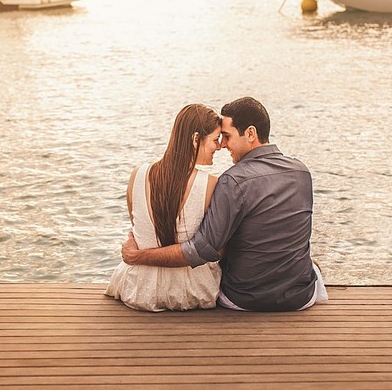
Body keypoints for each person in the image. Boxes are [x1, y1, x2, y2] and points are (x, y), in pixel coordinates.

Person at [121, 97, 328, 312]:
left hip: (243, 299)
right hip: (300, 297)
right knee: (307, 261)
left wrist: (139, 256)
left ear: (250, 134)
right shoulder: (301, 172)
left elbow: (203, 249)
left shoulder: (233, 180)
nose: (223, 145)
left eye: (227, 136)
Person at [105, 104, 223, 311]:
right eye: (215, 139)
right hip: (191, 291)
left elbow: (137, 228)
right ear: (196, 139)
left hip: (138, 288)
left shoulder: (138, 174)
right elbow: (215, 248)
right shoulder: (211, 185)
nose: (219, 147)